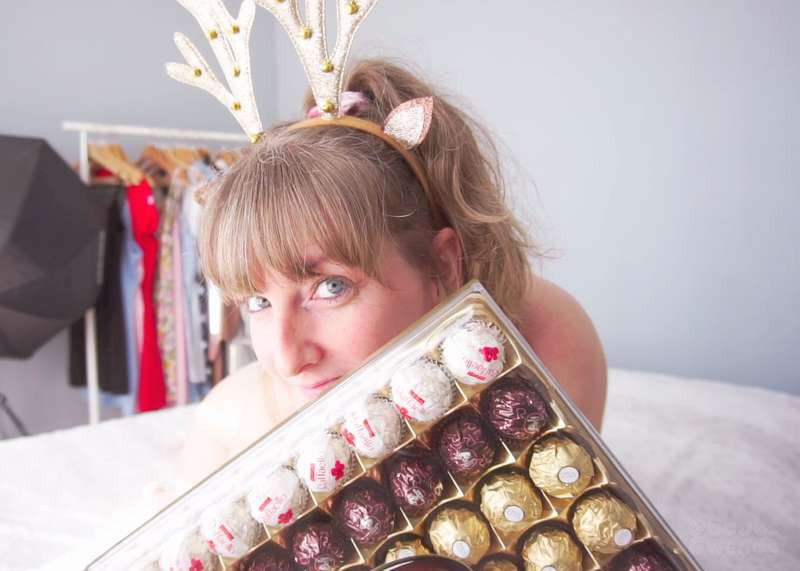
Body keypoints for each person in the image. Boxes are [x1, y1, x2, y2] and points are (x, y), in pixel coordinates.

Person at [178, 59, 607, 485]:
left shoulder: (544, 339)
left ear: (442, 266)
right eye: (258, 301)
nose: (288, 360)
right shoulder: (227, 432)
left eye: (331, 287)